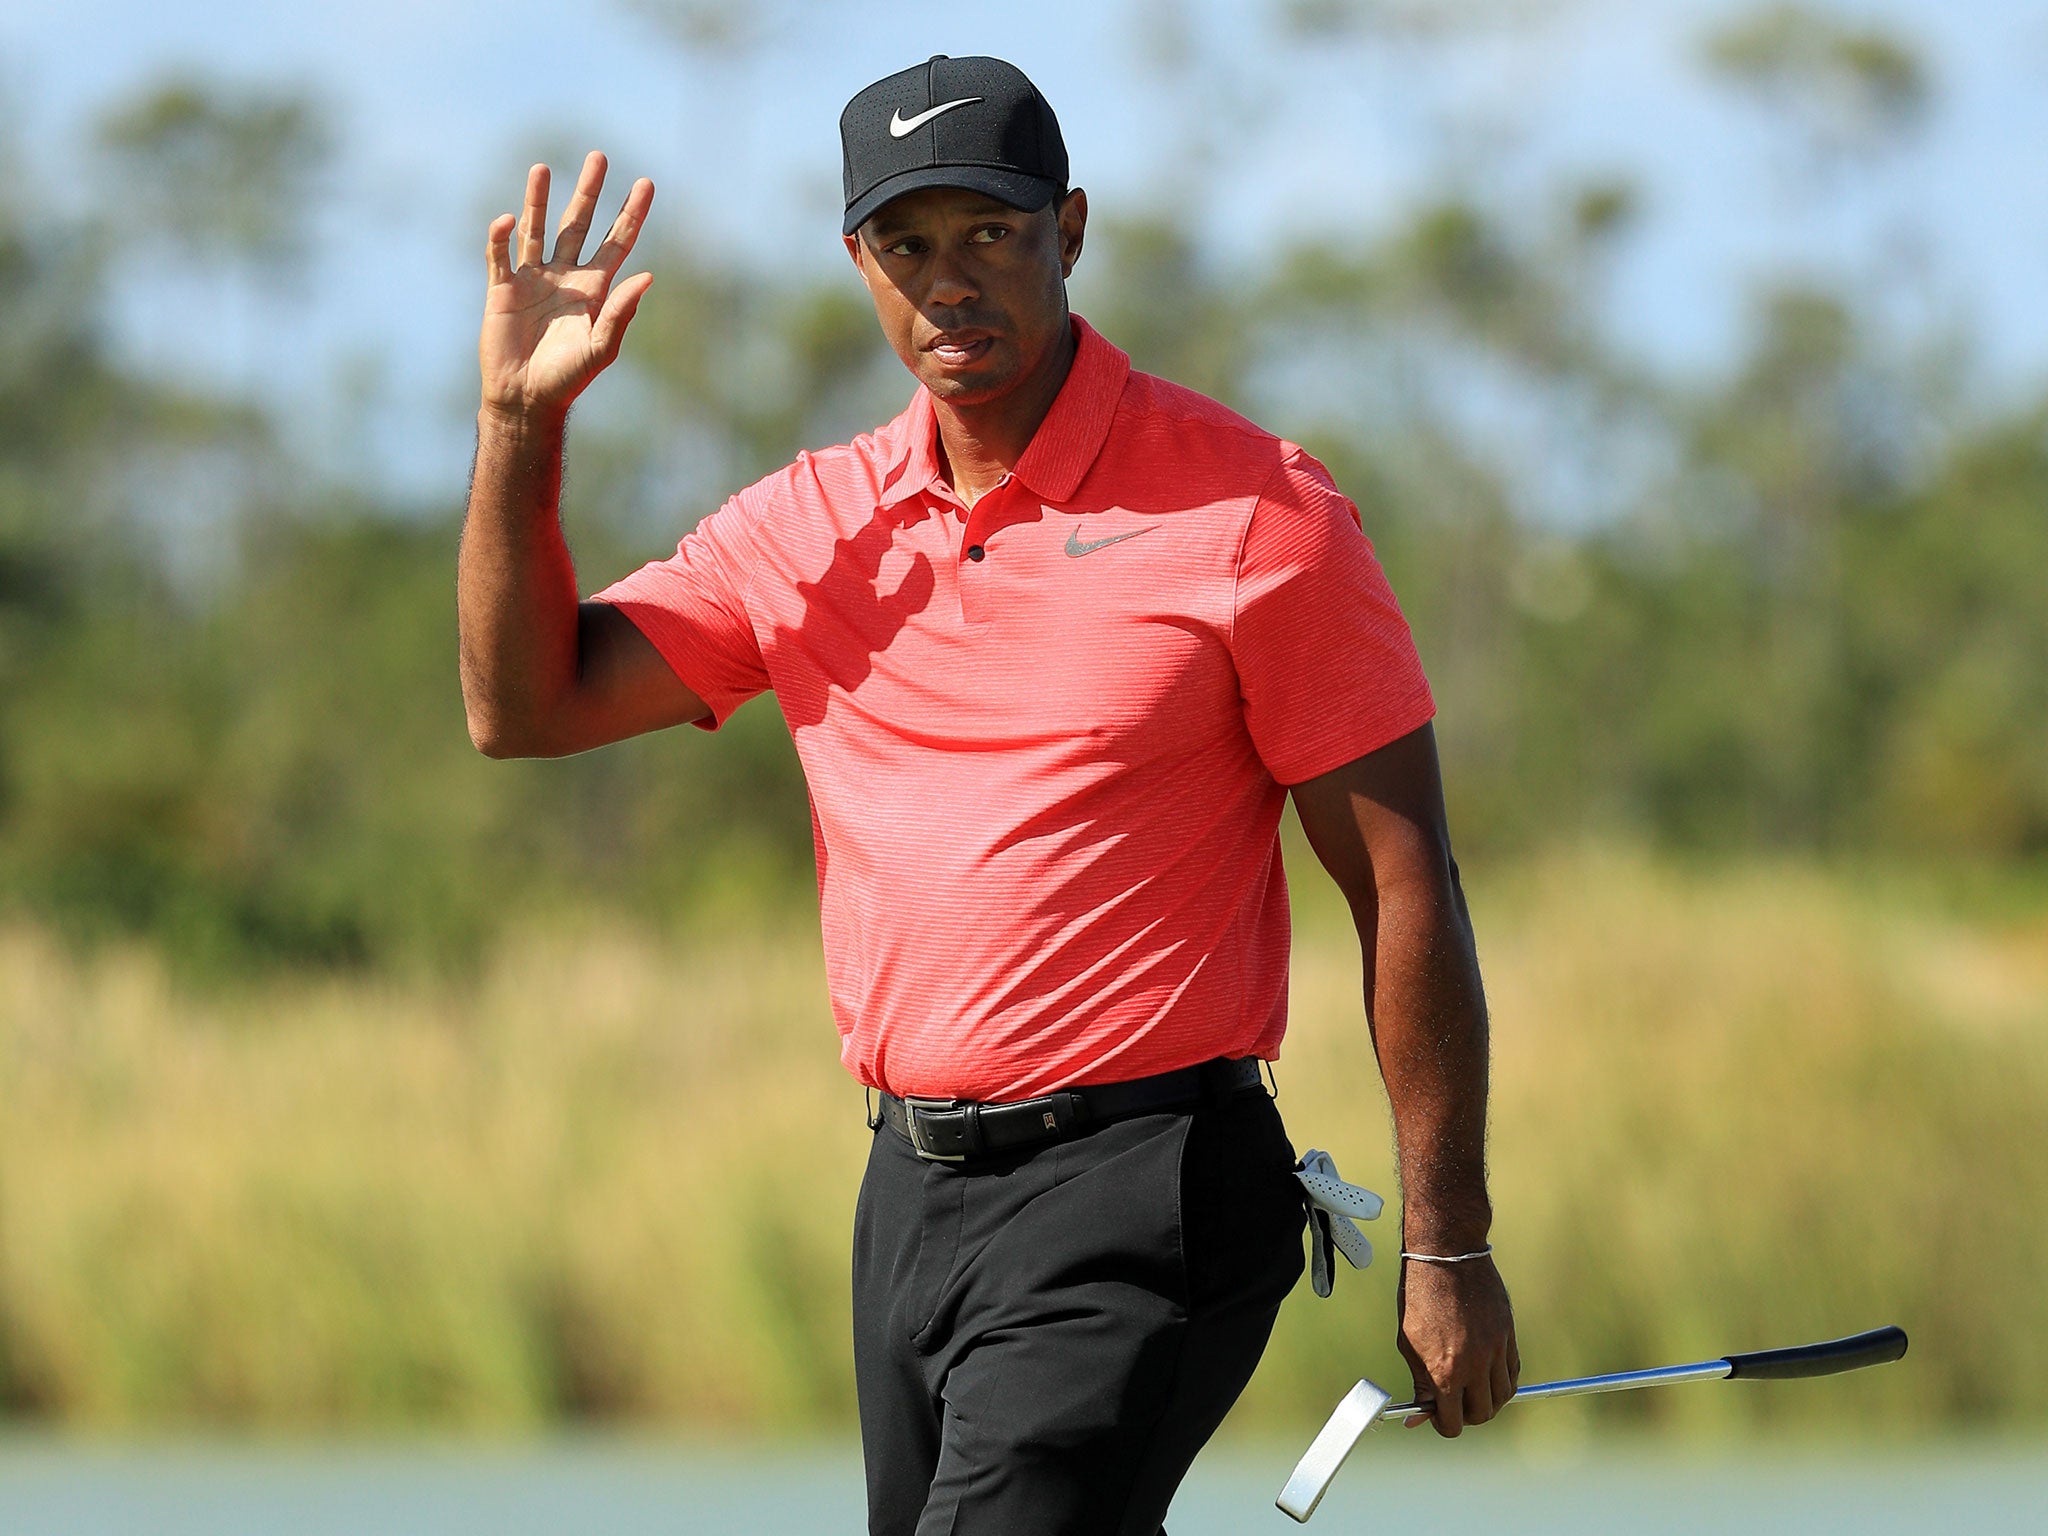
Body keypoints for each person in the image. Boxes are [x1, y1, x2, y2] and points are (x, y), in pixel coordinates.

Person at [459, 52, 1516, 1536]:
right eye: (908, 245)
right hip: (909, 1198)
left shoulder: (1256, 513)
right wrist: (520, 429)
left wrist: (1447, 1244)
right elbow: (523, 706)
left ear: (1069, 231)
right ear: (859, 264)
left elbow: (1406, 885)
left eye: (991, 236)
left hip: (1146, 1189)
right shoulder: (808, 529)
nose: (948, 283)